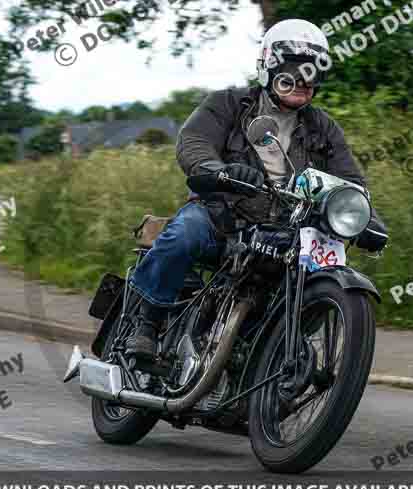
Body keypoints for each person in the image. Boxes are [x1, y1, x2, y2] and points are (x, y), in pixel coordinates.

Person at [126, 19, 386, 358]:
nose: (304, 80)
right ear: (269, 66)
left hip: (286, 233)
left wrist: (367, 219)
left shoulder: (323, 128)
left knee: (309, 279)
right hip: (223, 216)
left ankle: (267, 355)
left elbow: (352, 184)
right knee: (184, 235)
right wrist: (219, 172)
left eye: (312, 72)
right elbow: (193, 142)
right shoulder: (228, 104)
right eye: (292, 70)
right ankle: (148, 322)